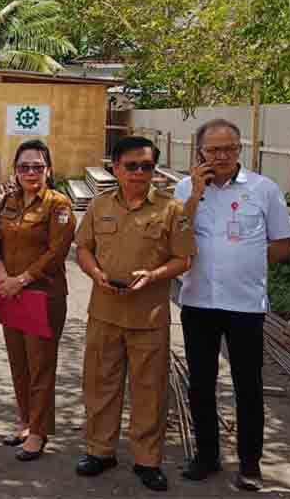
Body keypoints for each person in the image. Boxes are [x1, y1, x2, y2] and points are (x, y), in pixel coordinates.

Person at [174, 119, 290, 491]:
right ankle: (207, 456)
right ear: (200, 153)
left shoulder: (263, 189)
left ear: (240, 149)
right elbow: (175, 237)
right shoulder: (183, 189)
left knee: (248, 385)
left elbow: (282, 244)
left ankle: (250, 464)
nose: (222, 156)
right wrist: (194, 194)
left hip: (245, 305)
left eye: (230, 148)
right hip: (197, 301)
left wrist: (245, 266)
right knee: (201, 384)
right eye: (214, 150)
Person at [74, 135, 195, 492]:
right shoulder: (98, 206)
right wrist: (95, 274)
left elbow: (183, 259)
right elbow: (83, 248)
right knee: (100, 386)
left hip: (149, 317)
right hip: (105, 312)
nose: (140, 172)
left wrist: (154, 276)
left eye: (147, 166)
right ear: (116, 167)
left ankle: (147, 460)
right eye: (132, 165)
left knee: (149, 392)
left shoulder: (172, 209)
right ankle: (100, 451)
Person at [0, 139, 76, 461]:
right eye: (24, 167)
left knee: (40, 365)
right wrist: (1, 273)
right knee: (18, 362)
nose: (30, 172)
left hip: (42, 295)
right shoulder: (9, 202)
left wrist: (22, 280)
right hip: (10, 293)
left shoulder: (59, 205)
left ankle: (39, 433)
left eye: (37, 167)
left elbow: (56, 253)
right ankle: (25, 421)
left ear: (48, 170)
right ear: (15, 171)